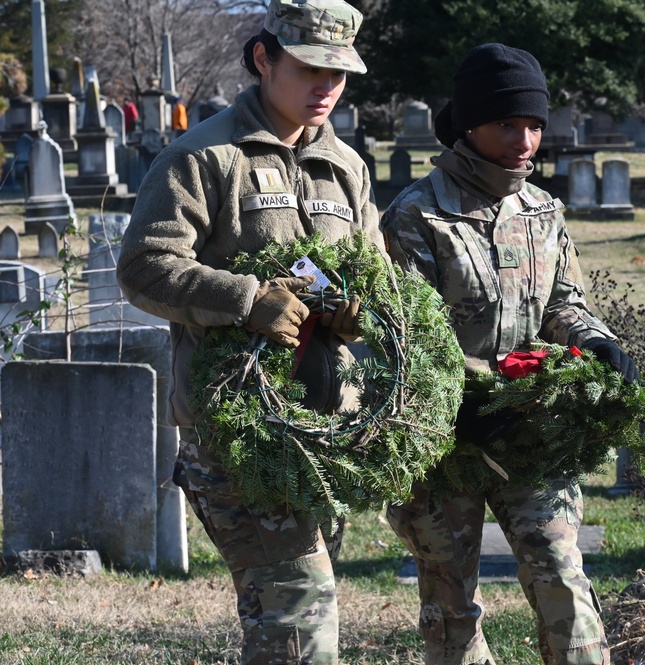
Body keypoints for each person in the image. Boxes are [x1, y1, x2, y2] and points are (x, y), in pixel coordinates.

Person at [116, 1, 379, 662]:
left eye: (339, 74)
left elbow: (378, 280)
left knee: (290, 622)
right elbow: (144, 267)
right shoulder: (203, 158)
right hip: (236, 434)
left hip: (323, 429)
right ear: (263, 59)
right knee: (299, 618)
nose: (326, 87)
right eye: (309, 68)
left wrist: (357, 314)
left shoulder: (345, 166)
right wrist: (247, 299)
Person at [380, 43, 638, 665]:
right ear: (469, 124)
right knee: (451, 605)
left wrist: (595, 340)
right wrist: (456, 407)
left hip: (529, 429)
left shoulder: (542, 211)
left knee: (561, 576)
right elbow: (406, 337)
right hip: (444, 443)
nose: (524, 139)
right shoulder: (418, 216)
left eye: (534, 124)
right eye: (506, 124)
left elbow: (563, 303)